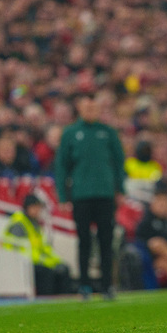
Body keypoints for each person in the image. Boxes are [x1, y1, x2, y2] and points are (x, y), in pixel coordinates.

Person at [54, 92, 125, 300]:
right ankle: (84, 284)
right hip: (81, 195)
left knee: (106, 240)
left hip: (105, 194)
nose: (90, 111)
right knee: (83, 240)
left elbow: (118, 162)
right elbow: (61, 166)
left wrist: (120, 189)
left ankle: (107, 285)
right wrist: (62, 195)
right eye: (87, 108)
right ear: (80, 109)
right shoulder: (70, 133)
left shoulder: (108, 132)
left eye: (94, 108)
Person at [3, 194, 71, 295]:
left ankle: (62, 301)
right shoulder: (19, 223)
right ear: (28, 207)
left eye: (39, 207)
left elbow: (45, 248)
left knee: (63, 269)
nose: (38, 210)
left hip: (36, 260)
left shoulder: (35, 224)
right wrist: (46, 262)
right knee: (46, 272)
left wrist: (57, 261)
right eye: (35, 207)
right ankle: (46, 300)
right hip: (19, 261)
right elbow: (20, 249)